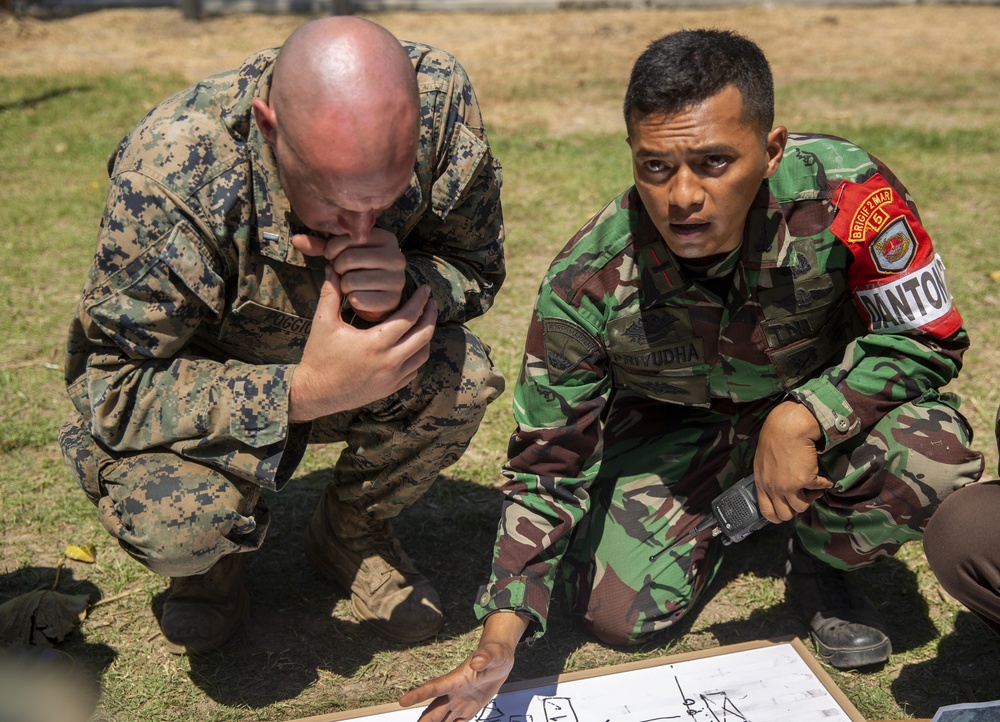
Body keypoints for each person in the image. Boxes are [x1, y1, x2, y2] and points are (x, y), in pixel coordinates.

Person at [400, 28, 984, 721]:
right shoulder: (586, 280)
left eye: (714, 163)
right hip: (679, 435)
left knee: (934, 455)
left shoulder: (850, 197)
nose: (682, 197)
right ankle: (732, 511)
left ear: (770, 151)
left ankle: (822, 561)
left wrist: (805, 415)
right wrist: (502, 636)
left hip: (822, 421)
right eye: (656, 167)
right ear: (632, 157)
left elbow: (928, 337)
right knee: (618, 616)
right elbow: (548, 465)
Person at [58, 16, 505, 653]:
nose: (360, 227)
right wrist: (303, 390)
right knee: (176, 527)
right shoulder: (176, 171)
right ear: (271, 129)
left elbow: (476, 266)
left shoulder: (437, 104)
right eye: (333, 199)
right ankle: (215, 565)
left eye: (384, 200)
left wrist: (408, 282)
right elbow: (110, 386)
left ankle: (352, 533)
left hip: (355, 367)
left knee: (461, 379)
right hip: (213, 386)